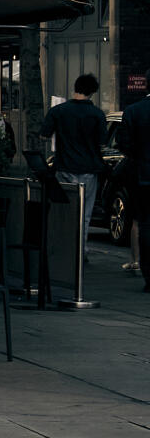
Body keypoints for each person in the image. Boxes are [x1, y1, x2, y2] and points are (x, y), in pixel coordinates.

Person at [40, 73, 108, 263]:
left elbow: (44, 136)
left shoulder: (59, 111)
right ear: (92, 92)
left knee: (63, 211)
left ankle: (63, 247)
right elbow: (102, 144)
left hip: (64, 167)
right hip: (88, 168)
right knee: (84, 214)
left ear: (75, 87)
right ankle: (81, 250)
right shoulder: (97, 114)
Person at [114, 70, 150, 292]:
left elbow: (123, 143)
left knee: (145, 222)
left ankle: (148, 273)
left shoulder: (134, 111)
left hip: (143, 175)